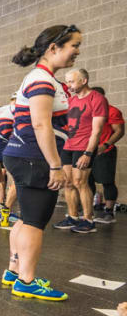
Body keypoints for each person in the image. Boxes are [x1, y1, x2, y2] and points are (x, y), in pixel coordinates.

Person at [1, 24, 78, 300]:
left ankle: (14, 271)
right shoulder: (42, 80)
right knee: (35, 221)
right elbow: (40, 124)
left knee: (25, 218)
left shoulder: (43, 78)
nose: (76, 52)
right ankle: (26, 280)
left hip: (25, 155)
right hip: (34, 157)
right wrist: (56, 166)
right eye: (73, 46)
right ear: (53, 48)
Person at [53, 69, 107, 234]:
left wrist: (88, 153)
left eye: (71, 82)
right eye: (67, 81)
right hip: (69, 145)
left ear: (84, 81)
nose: (68, 85)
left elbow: (96, 131)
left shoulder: (97, 99)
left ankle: (88, 220)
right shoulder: (73, 100)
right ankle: (73, 217)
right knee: (68, 183)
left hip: (84, 146)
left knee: (80, 182)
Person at [90, 86, 123, 223]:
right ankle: (88, 212)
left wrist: (105, 145)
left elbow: (119, 131)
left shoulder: (112, 111)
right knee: (87, 181)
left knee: (107, 181)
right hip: (87, 151)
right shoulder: (87, 112)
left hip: (105, 151)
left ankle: (109, 212)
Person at [0, 94, 20, 229]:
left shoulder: (4, 111)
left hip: (9, 150)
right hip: (15, 150)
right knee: (15, 183)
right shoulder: (15, 111)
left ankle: (6, 210)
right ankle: (6, 211)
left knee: (12, 182)